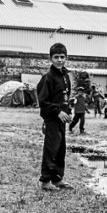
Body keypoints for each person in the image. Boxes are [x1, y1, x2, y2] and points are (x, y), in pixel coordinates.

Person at [37, 43, 73, 191]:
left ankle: (57, 179)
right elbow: (43, 101)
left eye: (62, 57)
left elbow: (65, 97)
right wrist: (57, 112)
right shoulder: (48, 78)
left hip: (62, 119)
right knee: (51, 150)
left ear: (66, 58)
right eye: (56, 57)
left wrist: (67, 111)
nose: (59, 60)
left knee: (60, 150)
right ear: (50, 59)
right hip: (52, 119)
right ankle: (45, 181)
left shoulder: (65, 76)